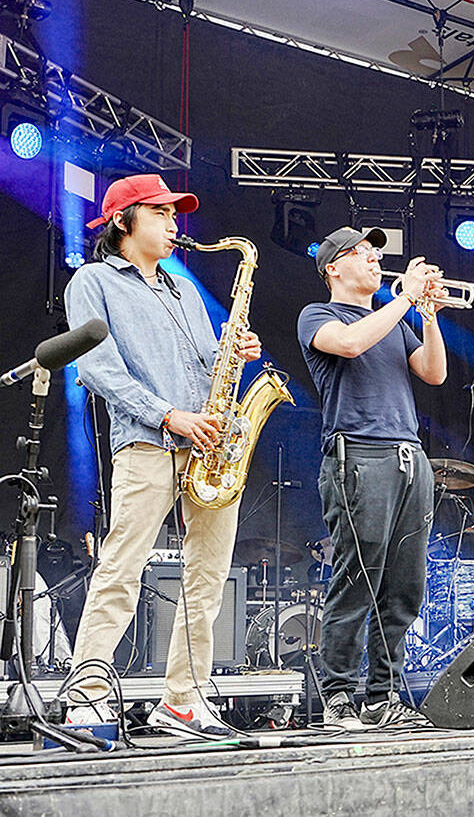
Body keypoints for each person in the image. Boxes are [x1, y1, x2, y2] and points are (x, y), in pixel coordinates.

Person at [64, 174, 262, 737]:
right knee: (121, 568)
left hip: (208, 447)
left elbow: (207, 367)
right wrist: (168, 414)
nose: (175, 226)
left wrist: (237, 351)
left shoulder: (185, 289)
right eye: (161, 214)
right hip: (149, 441)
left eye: (175, 216)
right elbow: (97, 368)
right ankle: (88, 697)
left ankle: (184, 699)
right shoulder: (94, 280)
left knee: (208, 577)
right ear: (123, 222)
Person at [297, 226, 449, 728]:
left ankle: (384, 695)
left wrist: (427, 317)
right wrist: (404, 297)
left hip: (409, 456)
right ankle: (338, 694)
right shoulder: (319, 315)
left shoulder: (393, 318)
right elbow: (349, 344)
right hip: (358, 454)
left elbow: (434, 373)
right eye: (360, 254)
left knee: (405, 585)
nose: (372, 261)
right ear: (332, 268)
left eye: (374, 255)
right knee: (357, 578)